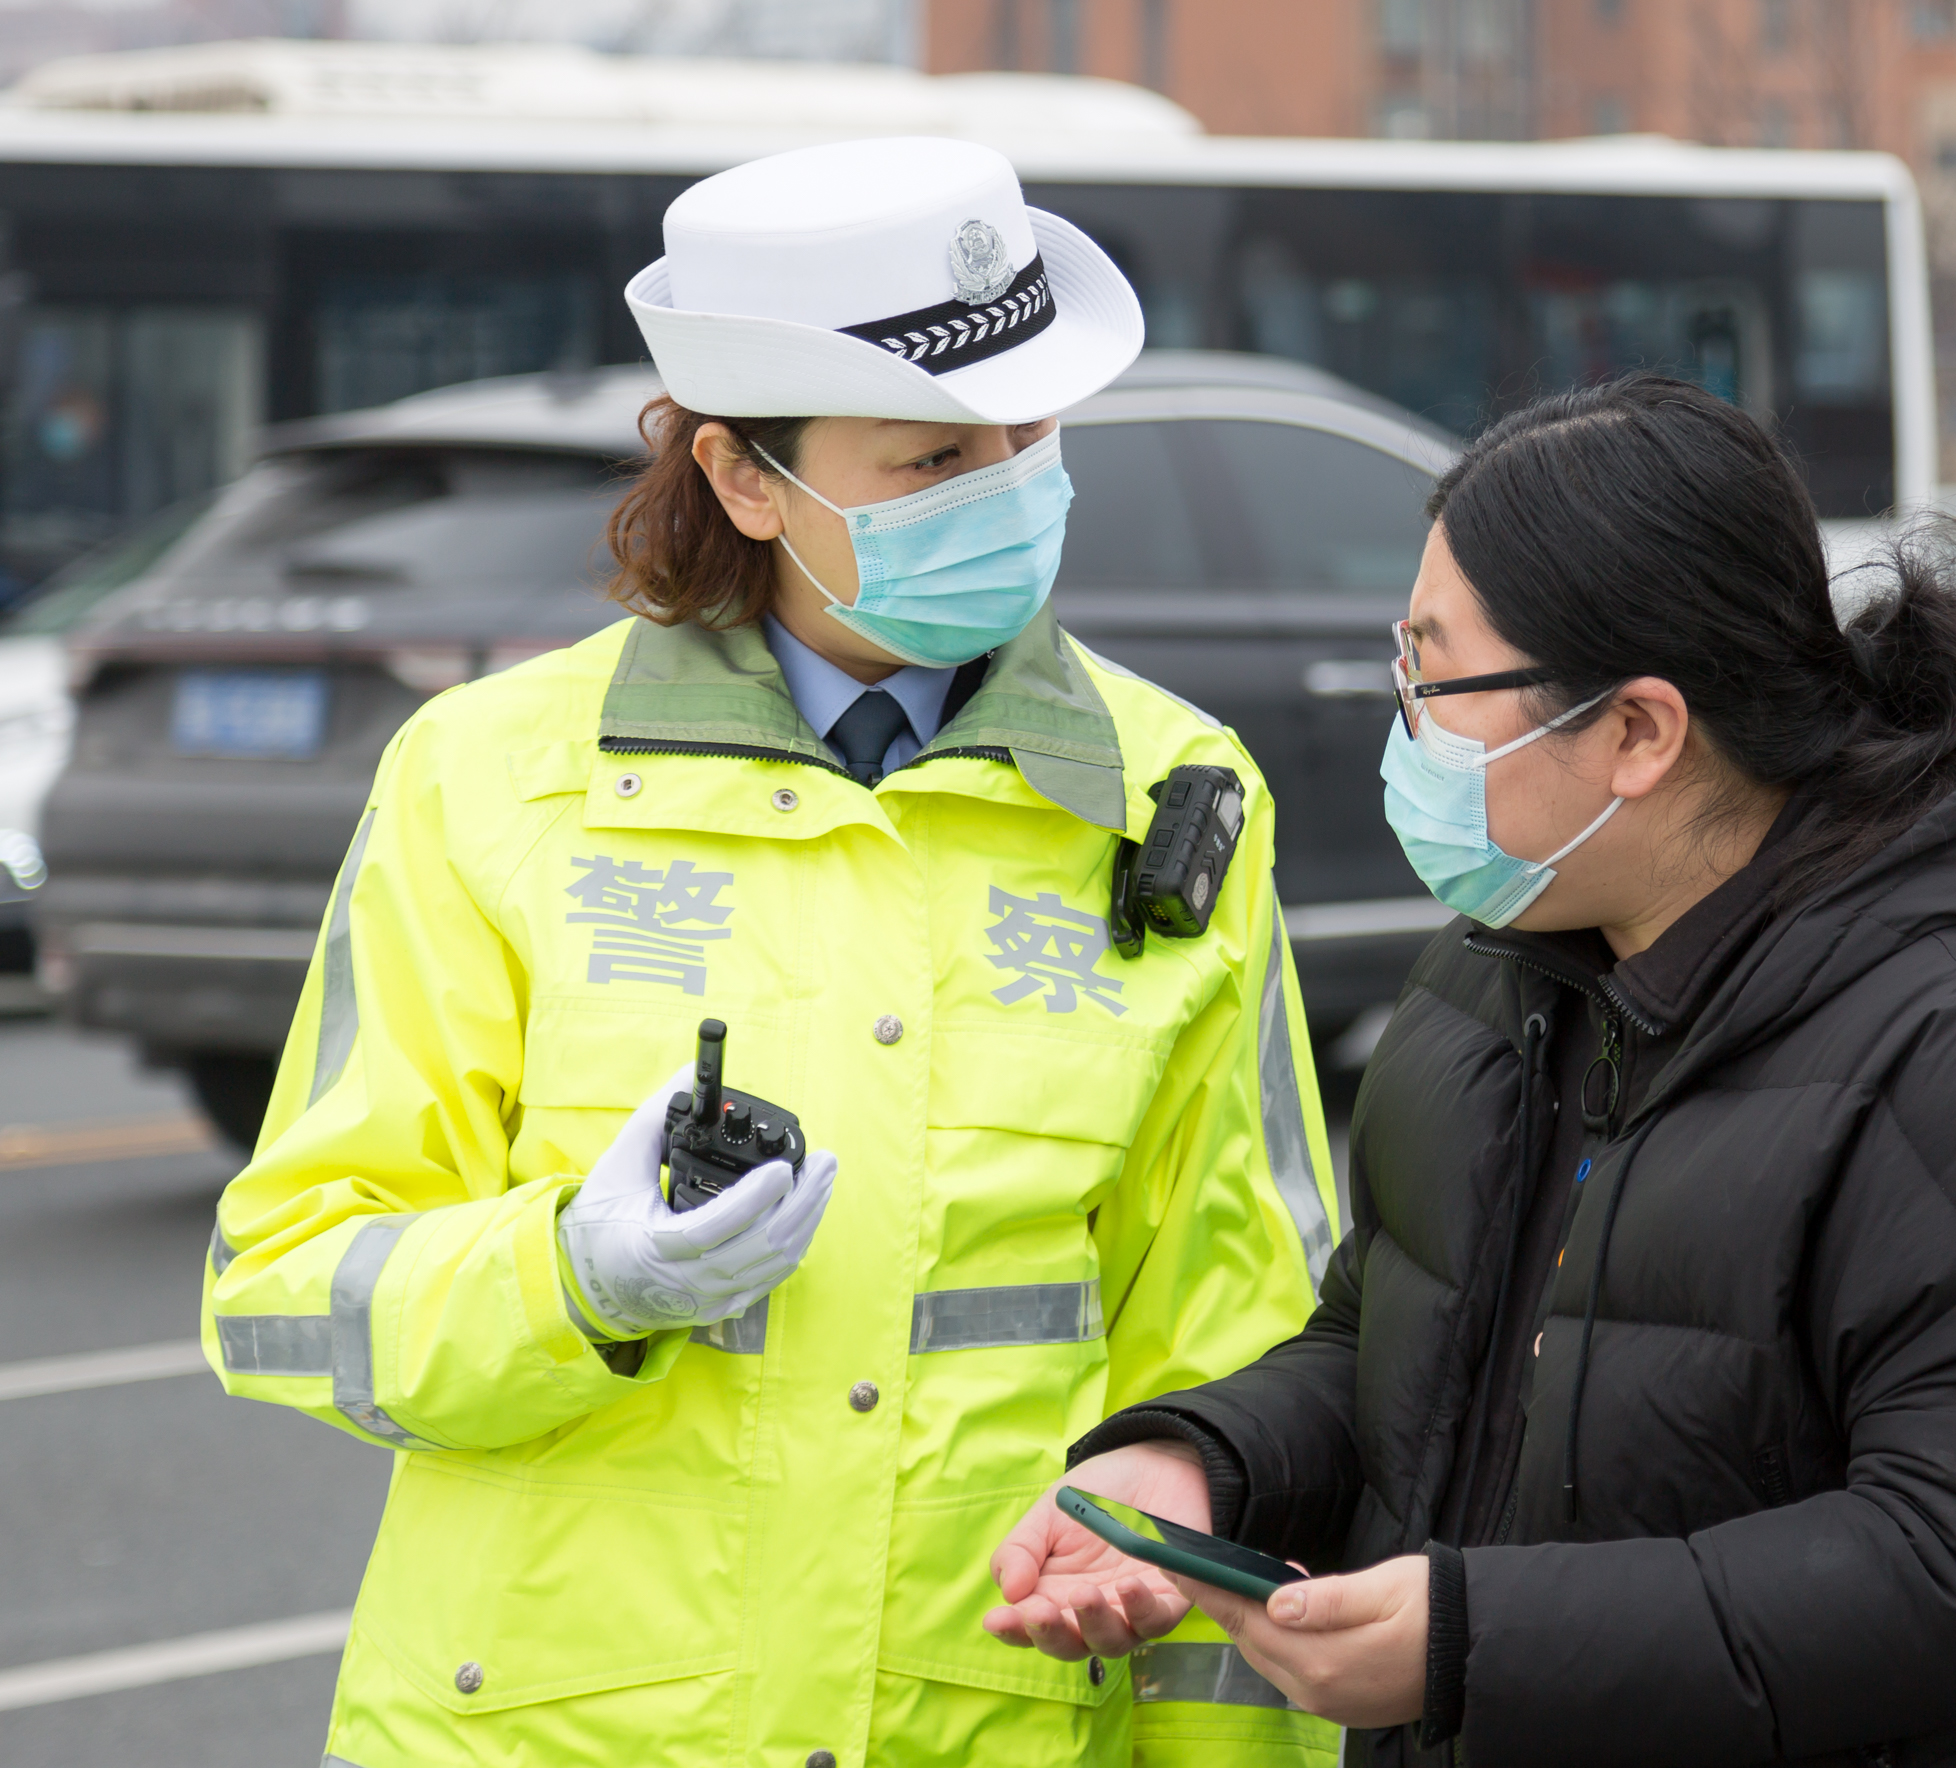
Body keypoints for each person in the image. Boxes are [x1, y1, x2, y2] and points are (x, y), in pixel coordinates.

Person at [204, 137, 1340, 1768]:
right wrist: (571, 1282)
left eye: (1033, 436)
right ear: (745, 478)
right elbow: (282, 1295)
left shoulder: (1174, 799)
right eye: (937, 455)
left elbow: (1242, 1365)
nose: (1012, 487)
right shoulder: (489, 779)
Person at [985, 372, 1956, 1766]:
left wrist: (1470, 1640)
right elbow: (1391, 1344)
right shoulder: (1501, 971)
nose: (1406, 722)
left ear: (1640, 731)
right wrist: (1204, 1465)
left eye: (1436, 674)